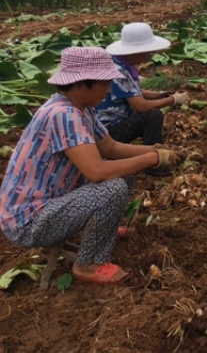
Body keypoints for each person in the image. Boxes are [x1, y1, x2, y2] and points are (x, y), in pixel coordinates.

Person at [0, 47, 184, 285]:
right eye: (103, 84)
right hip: (28, 221)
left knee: (124, 172)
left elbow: (111, 148)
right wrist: (151, 159)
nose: (108, 90)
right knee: (112, 188)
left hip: (52, 199)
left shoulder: (81, 108)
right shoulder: (64, 115)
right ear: (80, 84)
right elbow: (96, 171)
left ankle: (103, 229)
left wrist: (158, 150)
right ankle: (87, 264)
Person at [95, 22, 188, 153]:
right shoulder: (118, 70)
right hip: (107, 133)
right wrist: (172, 100)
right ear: (136, 51)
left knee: (150, 114)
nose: (150, 55)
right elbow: (141, 106)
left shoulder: (120, 62)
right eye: (147, 51)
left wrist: (160, 94)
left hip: (108, 127)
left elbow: (130, 92)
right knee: (152, 116)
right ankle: (155, 160)